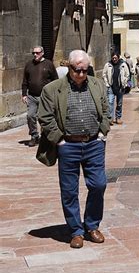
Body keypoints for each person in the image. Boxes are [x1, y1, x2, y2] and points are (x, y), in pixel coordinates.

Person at [37, 49, 110, 249]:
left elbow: (105, 109)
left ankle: (92, 225)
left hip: (94, 143)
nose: (81, 74)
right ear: (69, 67)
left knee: (98, 185)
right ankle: (76, 231)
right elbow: (45, 116)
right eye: (77, 70)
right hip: (68, 144)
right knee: (69, 191)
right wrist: (59, 140)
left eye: (85, 70)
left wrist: (103, 131)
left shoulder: (97, 85)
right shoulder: (53, 89)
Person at [22, 46, 58, 147]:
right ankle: (34, 136)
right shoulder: (29, 65)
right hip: (32, 96)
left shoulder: (49, 64)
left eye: (37, 53)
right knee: (30, 115)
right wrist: (24, 94)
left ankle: (45, 136)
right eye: (33, 53)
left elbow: (55, 80)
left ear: (42, 53)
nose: (35, 55)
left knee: (44, 117)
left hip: (45, 96)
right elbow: (25, 81)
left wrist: (54, 94)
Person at [102, 51, 129, 125]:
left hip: (120, 87)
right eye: (113, 58)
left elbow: (127, 74)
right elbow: (104, 74)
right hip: (111, 86)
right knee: (110, 102)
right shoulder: (108, 65)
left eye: (115, 58)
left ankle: (118, 117)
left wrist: (124, 82)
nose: (114, 59)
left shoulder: (123, 64)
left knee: (119, 103)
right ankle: (110, 118)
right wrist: (107, 83)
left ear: (118, 57)